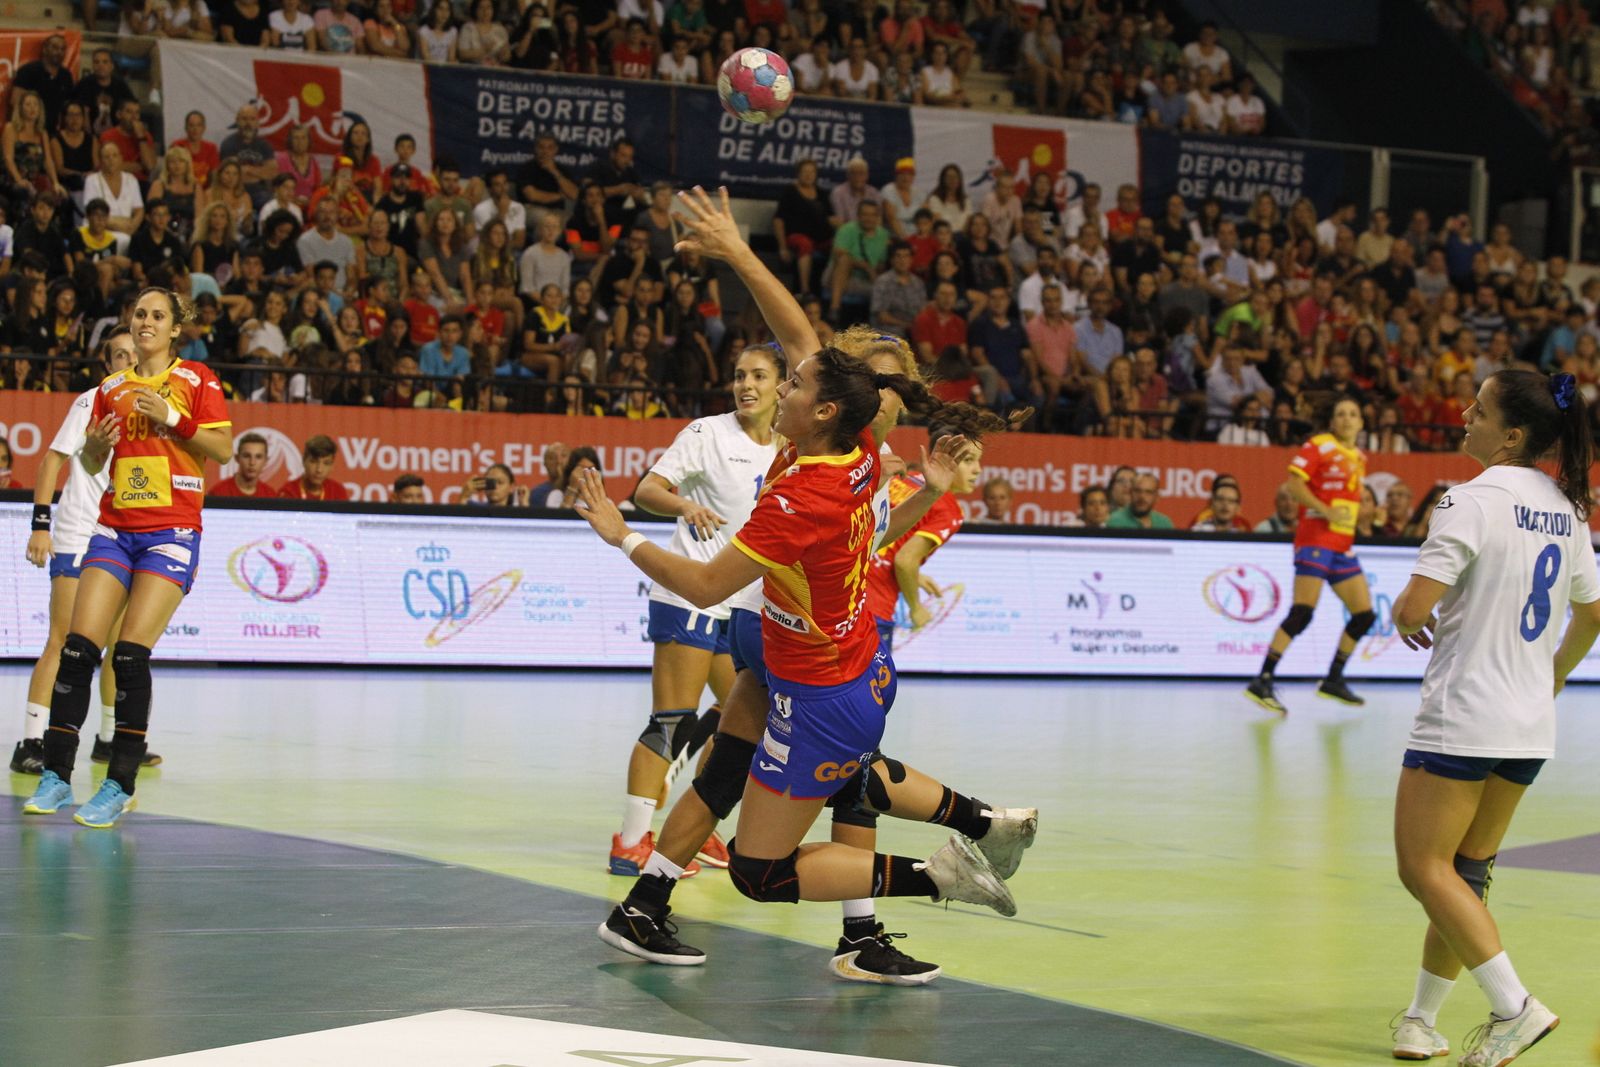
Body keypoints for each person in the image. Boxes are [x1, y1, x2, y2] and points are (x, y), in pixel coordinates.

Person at [581, 187, 1031, 974]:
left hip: (819, 675)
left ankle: (932, 873)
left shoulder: (806, 488)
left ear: (826, 407)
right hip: (807, 653)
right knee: (758, 771)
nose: (780, 383)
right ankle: (650, 905)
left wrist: (621, 539)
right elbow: (799, 332)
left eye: (792, 383)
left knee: (781, 829)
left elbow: (709, 582)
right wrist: (737, 251)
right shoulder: (850, 453)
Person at [1387, 371, 1600, 1066]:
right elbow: (1593, 612)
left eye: (1477, 410)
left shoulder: (1469, 499)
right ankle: (1420, 1017)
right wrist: (1557, 671)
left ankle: (1516, 1006)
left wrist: (1402, 612)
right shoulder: (1569, 510)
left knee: (1423, 866)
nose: (1463, 414)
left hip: (1464, 714)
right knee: (1465, 873)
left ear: (1511, 434)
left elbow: (1414, 610)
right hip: (1529, 722)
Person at [23, 290, 232, 827]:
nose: (146, 323)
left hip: (171, 532)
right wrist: (94, 447)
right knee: (76, 650)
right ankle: (54, 774)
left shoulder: (198, 379)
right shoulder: (110, 389)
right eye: (139, 314)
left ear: (173, 328)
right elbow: (91, 462)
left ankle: (119, 784)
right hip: (115, 529)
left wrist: (174, 418)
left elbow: (224, 450)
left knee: (131, 656)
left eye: (157, 316)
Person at [609, 342, 785, 879]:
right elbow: (646, 490)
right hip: (689, 592)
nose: (746, 385)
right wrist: (684, 503)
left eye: (758, 376)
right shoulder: (708, 433)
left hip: (743, 603)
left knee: (738, 721)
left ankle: (698, 823)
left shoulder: (791, 446)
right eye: (738, 376)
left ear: (783, 386)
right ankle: (631, 842)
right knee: (670, 721)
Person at [12, 330, 155, 777]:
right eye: (119, 355)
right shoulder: (93, 399)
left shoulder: (152, 406)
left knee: (118, 646)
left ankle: (109, 739)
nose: (127, 360)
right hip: (78, 535)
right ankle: (31, 740)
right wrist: (40, 526)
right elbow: (52, 461)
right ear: (106, 361)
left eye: (133, 353)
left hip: (122, 536)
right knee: (65, 639)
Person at [1246, 397, 1376, 715]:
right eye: (1341, 414)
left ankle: (1333, 679)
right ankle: (1262, 680)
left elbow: (1346, 499)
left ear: (1361, 423)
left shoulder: (1359, 456)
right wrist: (1324, 509)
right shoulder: (1319, 445)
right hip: (1316, 540)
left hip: (1342, 545)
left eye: (1353, 414)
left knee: (1364, 615)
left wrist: (1362, 515)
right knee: (1302, 611)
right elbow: (1294, 485)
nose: (1347, 419)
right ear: (1332, 422)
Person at [278, 433, 349, 500]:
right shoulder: (288, 493)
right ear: (304, 461)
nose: (319, 470)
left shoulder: (338, 492)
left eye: (326, 463)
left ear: (332, 466)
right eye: (314, 462)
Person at [208, 431, 277, 497]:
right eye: (247, 456)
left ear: (266, 461)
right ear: (237, 458)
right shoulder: (218, 493)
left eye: (258, 457)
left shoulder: (270, 495)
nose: (252, 462)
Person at [1106, 472, 1173, 529]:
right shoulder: (1116, 521)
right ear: (1130, 493)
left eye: (1148, 492)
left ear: (1157, 497)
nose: (1142, 497)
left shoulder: (1164, 523)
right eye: (1137, 491)